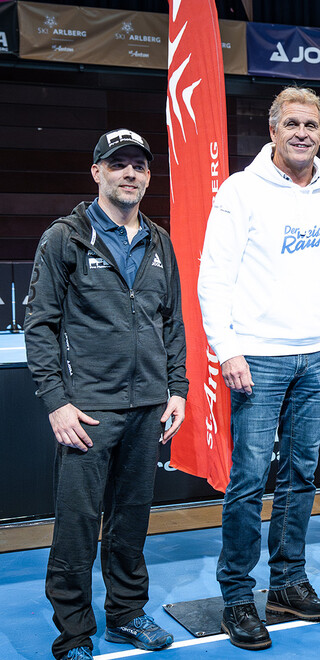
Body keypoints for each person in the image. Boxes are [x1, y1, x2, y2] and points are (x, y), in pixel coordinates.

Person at [198, 87, 320, 650]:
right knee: (248, 480)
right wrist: (227, 349)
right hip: (257, 358)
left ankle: (288, 583)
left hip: (317, 356)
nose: (302, 133)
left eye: (311, 125)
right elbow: (213, 276)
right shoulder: (240, 191)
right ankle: (237, 596)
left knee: (299, 476)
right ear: (272, 130)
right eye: (291, 123)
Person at [26, 129, 185, 659]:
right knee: (76, 526)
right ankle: (73, 633)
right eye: (118, 164)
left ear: (148, 176)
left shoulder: (159, 241)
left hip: (149, 407)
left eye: (139, 165)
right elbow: (40, 326)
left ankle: (126, 614)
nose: (130, 173)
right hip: (88, 411)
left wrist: (178, 388)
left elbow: (173, 323)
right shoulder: (65, 238)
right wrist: (56, 401)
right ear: (97, 172)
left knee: (131, 520)